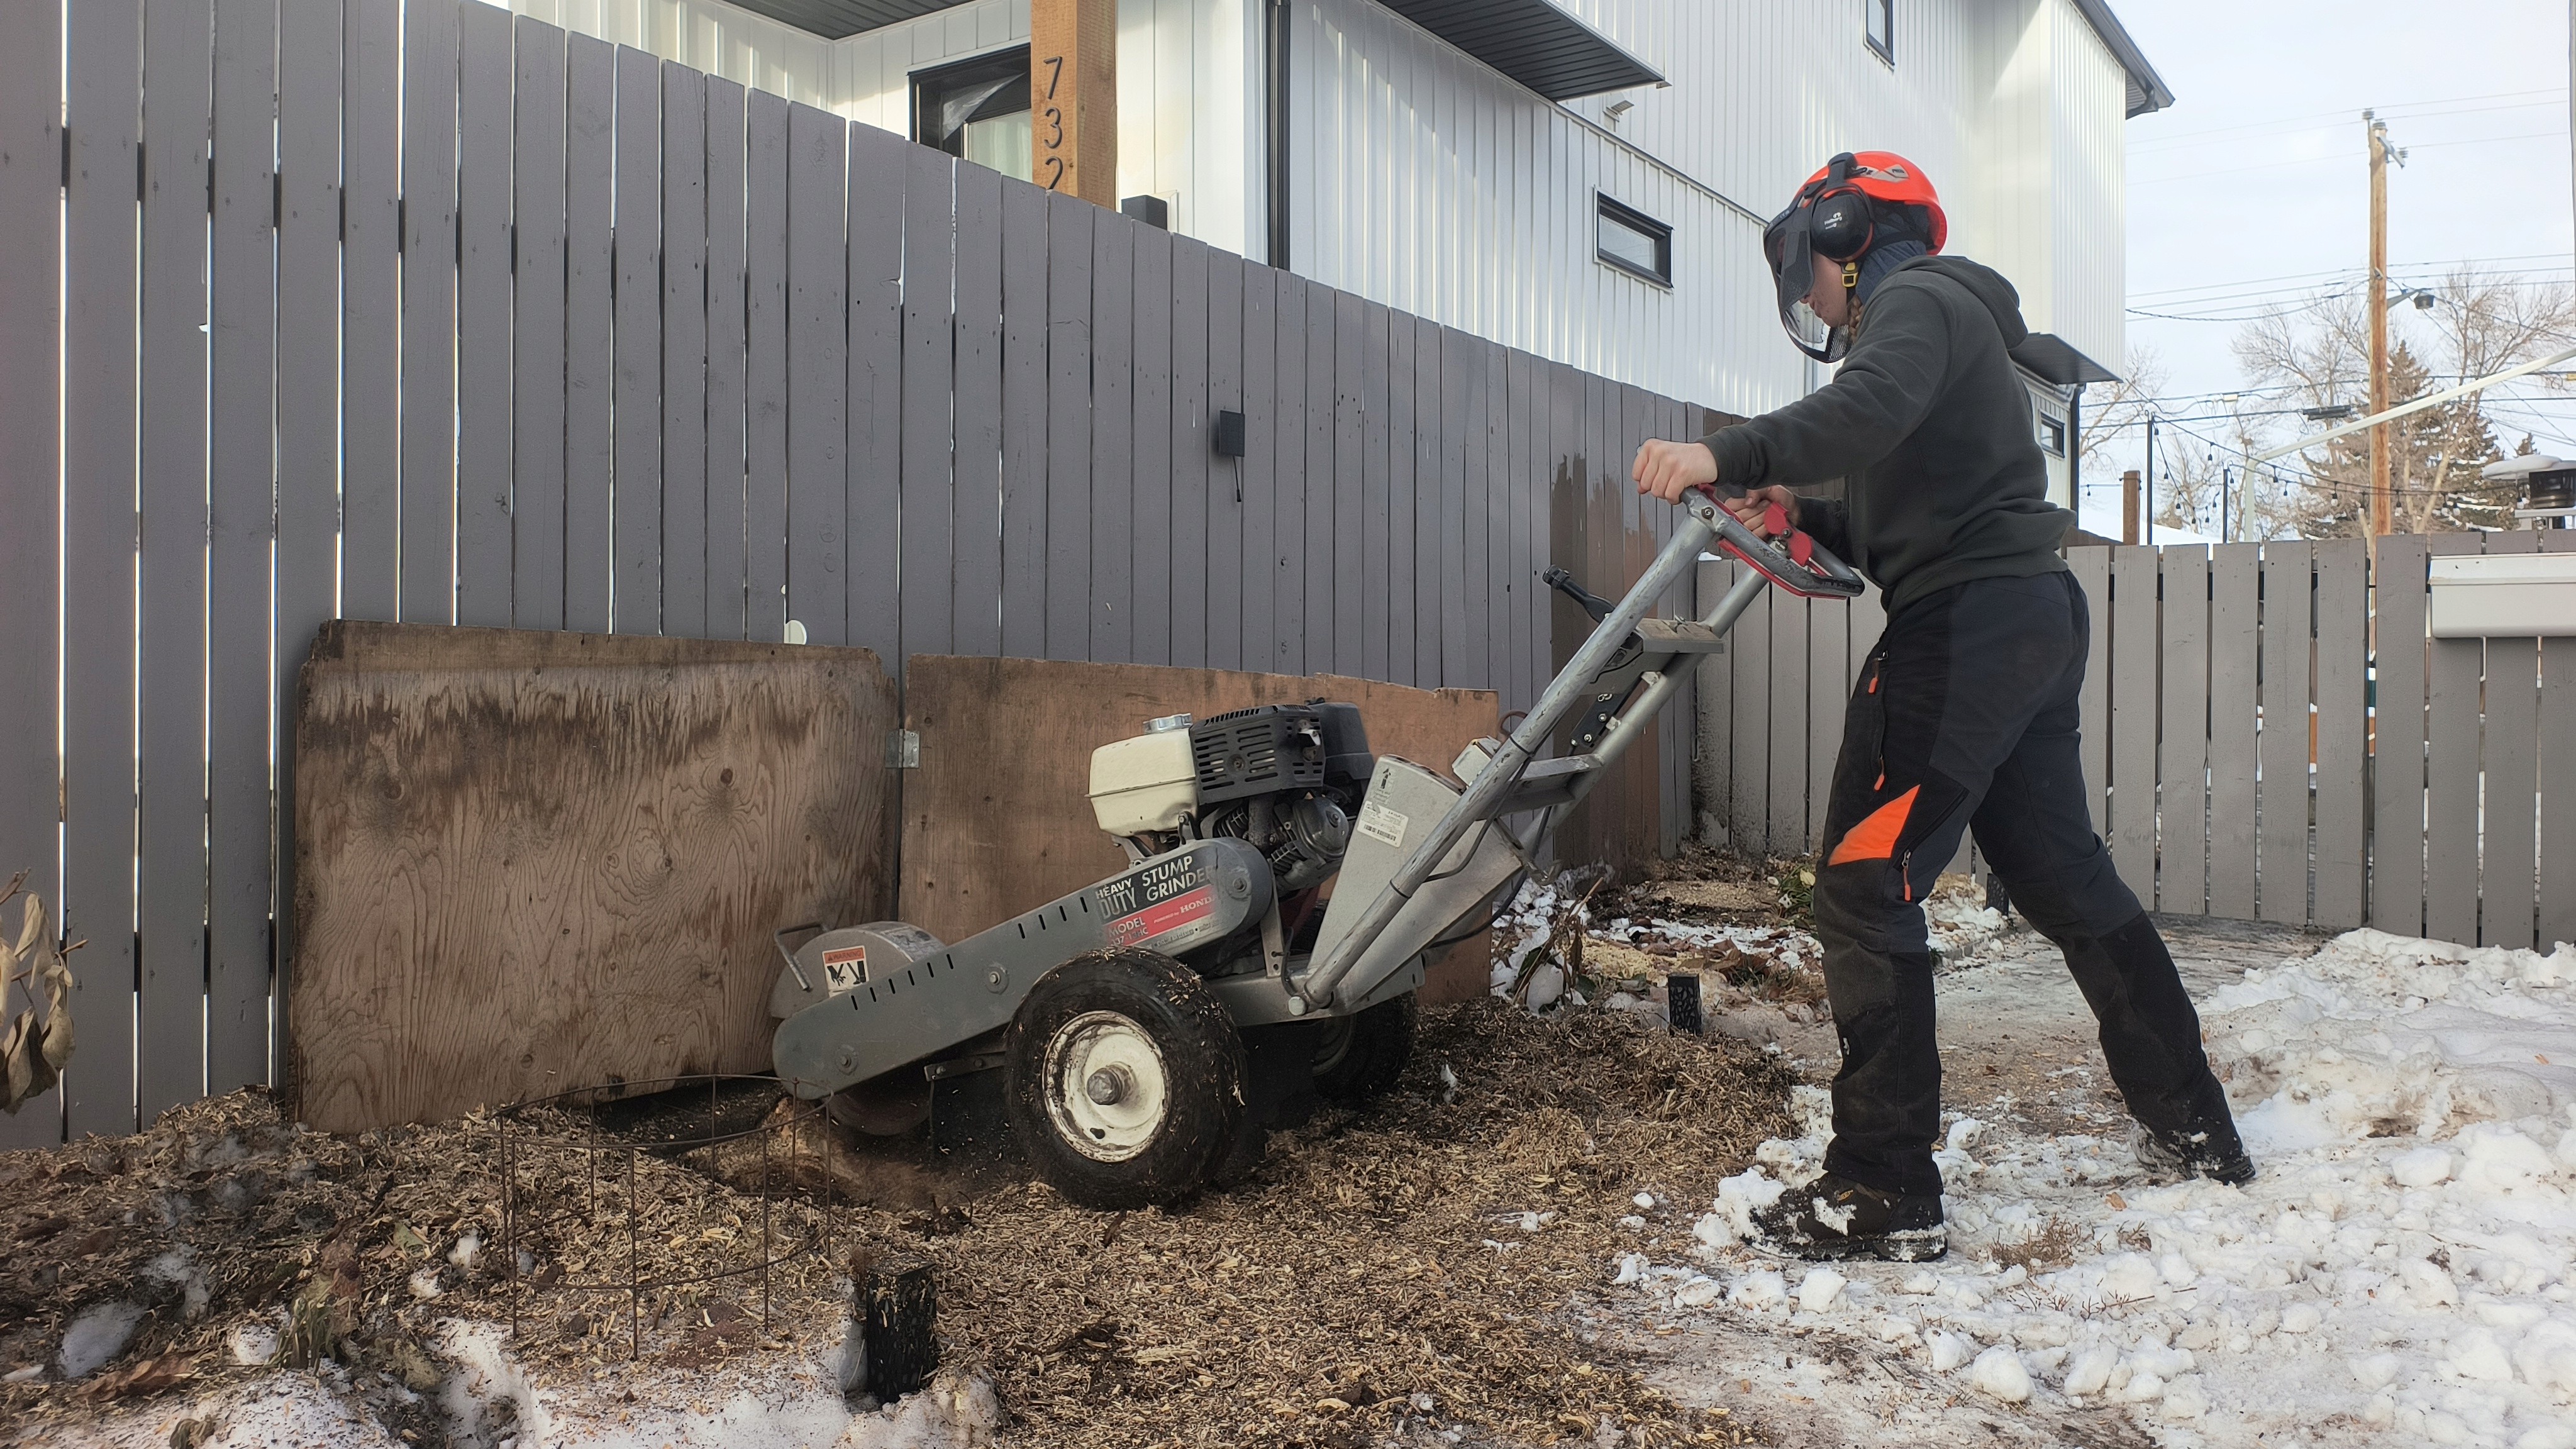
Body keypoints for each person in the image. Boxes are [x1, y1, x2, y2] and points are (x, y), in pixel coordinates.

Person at [1630, 152, 2251, 1264]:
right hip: (2021, 613)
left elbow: (1863, 410)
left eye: (1803, 261)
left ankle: (1882, 1186)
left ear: (1847, 229)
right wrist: (1806, 513)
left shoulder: (1913, 304)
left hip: (1965, 629)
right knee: (2066, 879)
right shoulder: (1947, 329)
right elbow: (1909, 513)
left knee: (1866, 884)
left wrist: (1727, 450)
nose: (1803, 288)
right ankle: (2195, 1122)